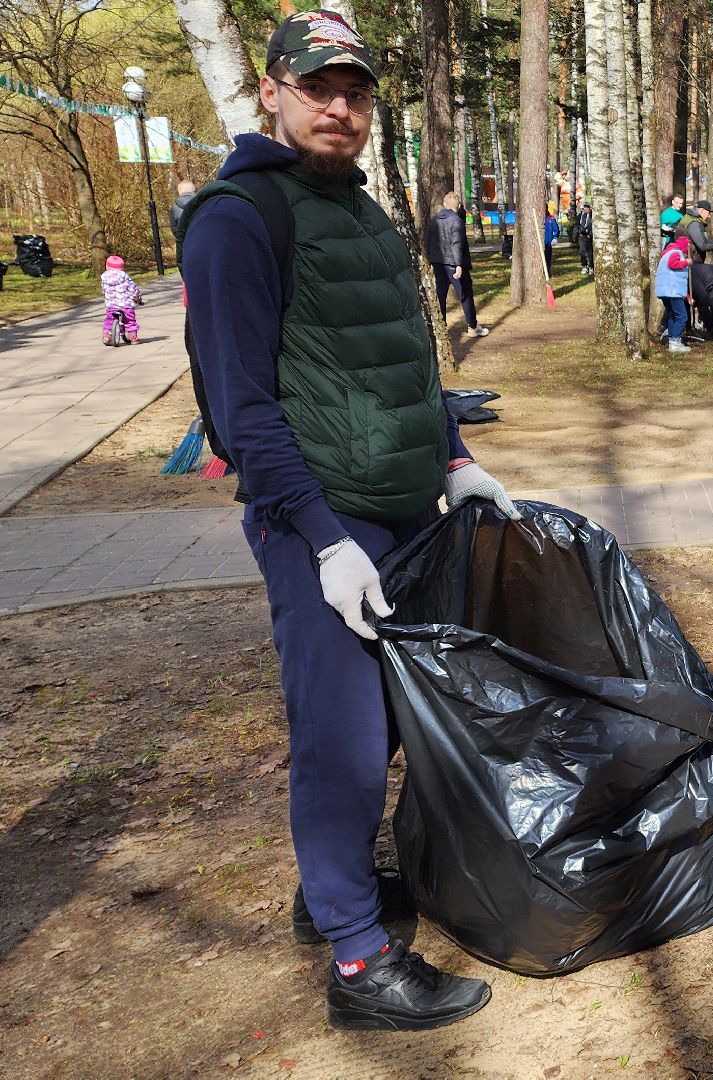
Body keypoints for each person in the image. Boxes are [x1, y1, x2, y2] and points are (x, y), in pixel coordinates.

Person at [175, 9, 510, 1032]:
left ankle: (334, 895)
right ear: (270, 90)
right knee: (345, 740)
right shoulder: (238, 219)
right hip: (322, 522)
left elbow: (399, 364)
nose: (339, 106)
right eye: (319, 86)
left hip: (403, 510)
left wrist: (455, 460)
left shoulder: (360, 210)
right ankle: (360, 963)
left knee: (397, 721)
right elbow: (240, 410)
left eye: (356, 91)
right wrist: (322, 540)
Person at [424, 192, 488, 337]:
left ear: (444, 204)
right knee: (465, 294)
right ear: (458, 206)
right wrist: (459, 265)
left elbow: (427, 242)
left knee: (440, 295)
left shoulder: (434, 221)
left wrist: (429, 260)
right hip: (454, 265)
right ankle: (472, 326)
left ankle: (440, 328)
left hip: (438, 263)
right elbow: (456, 244)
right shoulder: (457, 221)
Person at [655, 235, 693, 353]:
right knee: (682, 316)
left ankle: (673, 340)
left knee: (673, 315)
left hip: (665, 290)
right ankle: (675, 342)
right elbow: (673, 264)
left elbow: (675, 278)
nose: (686, 254)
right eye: (687, 252)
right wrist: (685, 262)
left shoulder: (666, 254)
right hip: (672, 291)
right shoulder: (676, 252)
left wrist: (687, 296)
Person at [100, 254, 142, 344]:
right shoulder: (125, 277)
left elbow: (104, 290)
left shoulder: (104, 278)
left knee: (109, 320)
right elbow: (133, 289)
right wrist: (137, 297)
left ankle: (107, 334)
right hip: (126, 305)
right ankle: (133, 336)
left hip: (111, 305)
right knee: (130, 320)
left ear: (107, 266)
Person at [673, 199, 713, 263]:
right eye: (708, 212)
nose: (709, 216)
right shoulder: (695, 223)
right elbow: (703, 245)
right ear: (702, 210)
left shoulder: (688, 217)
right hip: (690, 262)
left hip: (683, 258)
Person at [575, 201, 594, 275]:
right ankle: (584, 266)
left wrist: (590, 234)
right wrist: (575, 235)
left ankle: (591, 267)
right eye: (585, 207)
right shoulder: (580, 215)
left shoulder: (592, 215)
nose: (586, 208)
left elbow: (593, 226)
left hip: (589, 236)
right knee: (582, 251)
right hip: (581, 236)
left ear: (590, 208)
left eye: (587, 207)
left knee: (590, 252)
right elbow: (577, 225)